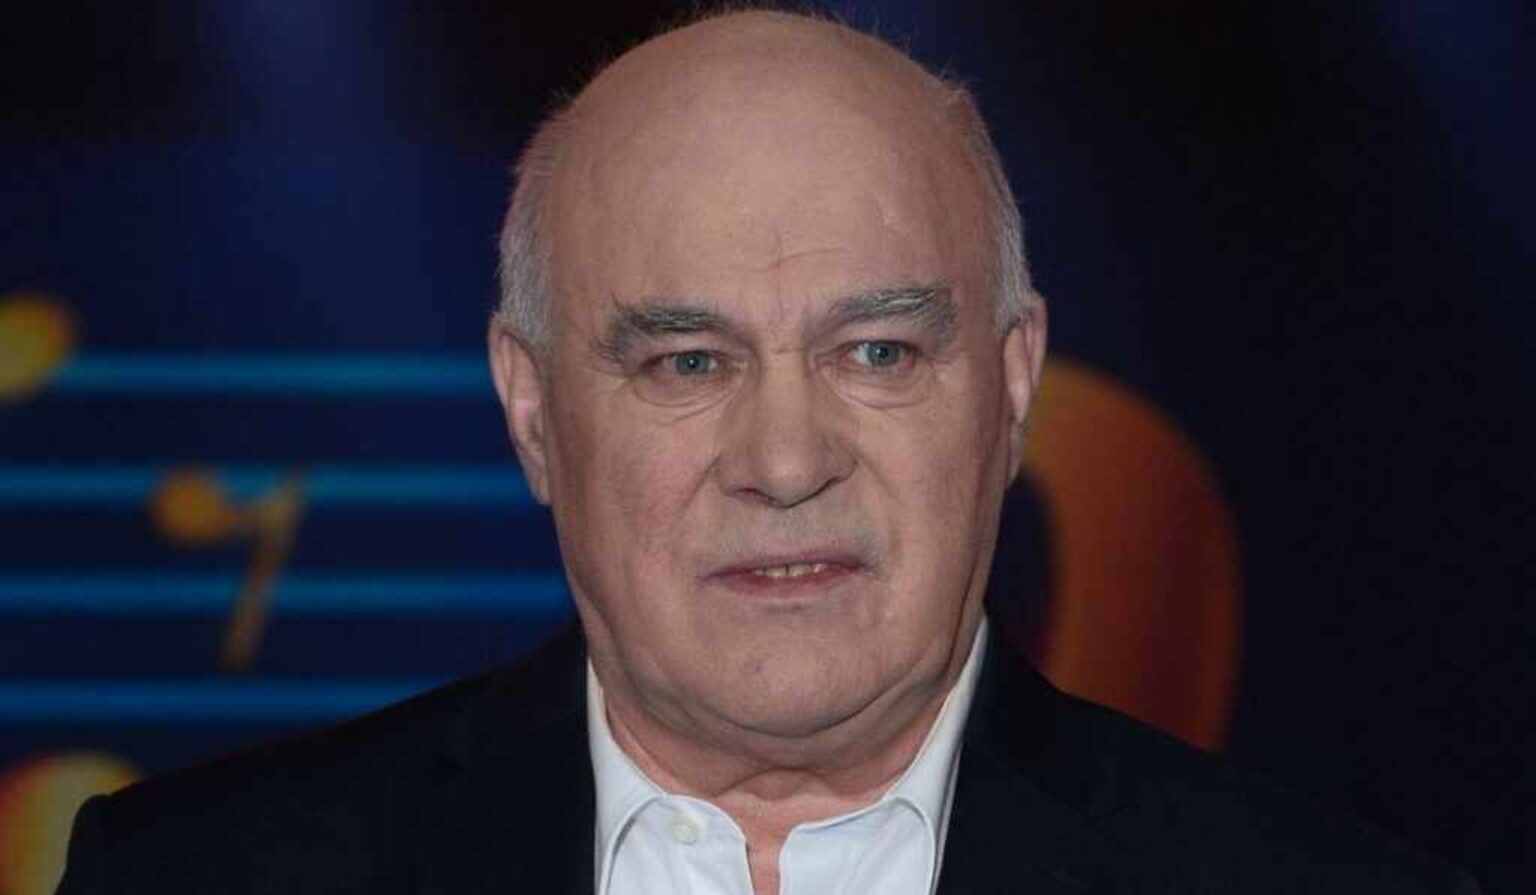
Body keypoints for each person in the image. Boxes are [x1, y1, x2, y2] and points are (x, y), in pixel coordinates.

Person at [57, 10, 1476, 894]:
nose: (788, 460)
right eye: (687, 362)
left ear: (1011, 385)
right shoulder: (191, 880)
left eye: (878, 353)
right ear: (532, 409)